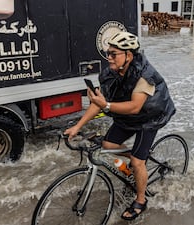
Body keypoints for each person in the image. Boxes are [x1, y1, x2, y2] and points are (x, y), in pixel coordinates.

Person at [64, 31, 176, 220]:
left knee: (137, 162)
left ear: (128, 55)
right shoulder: (109, 73)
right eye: (108, 53)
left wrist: (106, 106)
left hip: (150, 118)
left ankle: (141, 199)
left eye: (113, 54)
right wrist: (77, 126)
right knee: (108, 146)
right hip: (128, 117)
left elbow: (134, 107)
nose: (108, 58)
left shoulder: (145, 75)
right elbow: (98, 103)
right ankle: (135, 164)